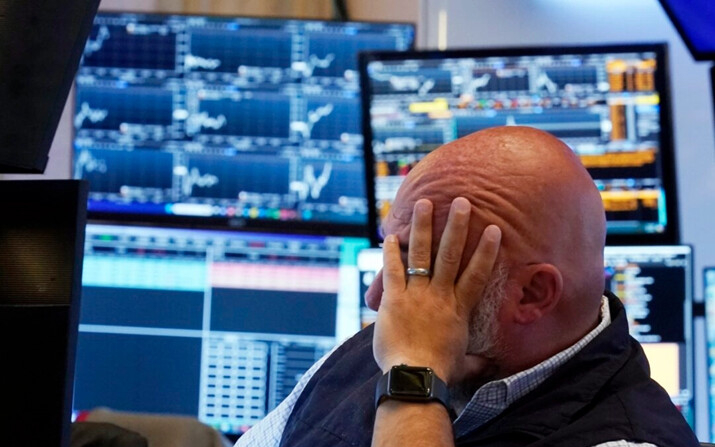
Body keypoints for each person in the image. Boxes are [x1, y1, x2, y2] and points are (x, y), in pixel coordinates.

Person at [236, 126, 700, 447]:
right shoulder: (384, 345)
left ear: (532, 294)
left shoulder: (626, 438)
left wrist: (414, 378)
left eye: (426, 268)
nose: (379, 298)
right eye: (393, 258)